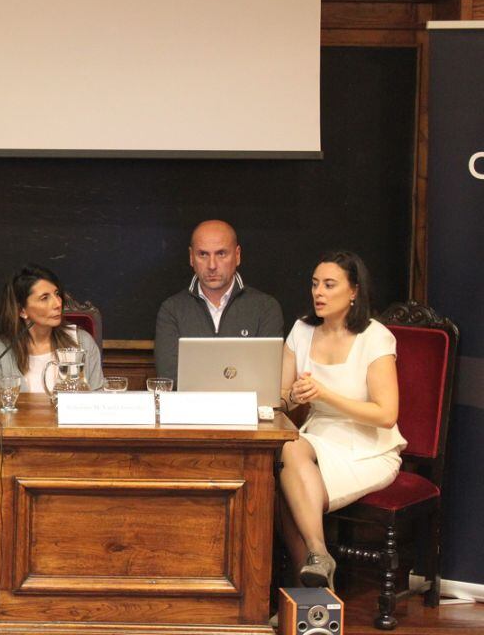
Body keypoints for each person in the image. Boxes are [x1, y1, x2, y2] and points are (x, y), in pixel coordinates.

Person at [278, 251, 405, 588]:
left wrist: (323, 394)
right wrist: (295, 395)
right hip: (318, 439)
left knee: (287, 480)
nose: (318, 292)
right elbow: (281, 399)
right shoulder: (302, 330)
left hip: (368, 448)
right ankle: (318, 560)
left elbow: (386, 414)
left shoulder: (374, 336)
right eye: (315, 283)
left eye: (329, 284)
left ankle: (305, 588)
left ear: (353, 292)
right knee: (288, 453)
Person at [154, 219, 284, 381]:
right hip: (190, 406)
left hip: (246, 406)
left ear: (237, 256)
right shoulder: (172, 310)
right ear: (191, 257)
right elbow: (170, 378)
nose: (212, 265)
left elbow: (267, 378)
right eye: (203, 254)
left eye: (221, 254)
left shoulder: (265, 308)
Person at [0, 264, 104, 394]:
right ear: (22, 310)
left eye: (57, 294)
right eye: (44, 298)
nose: (58, 304)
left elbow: (98, 397)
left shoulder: (82, 342)